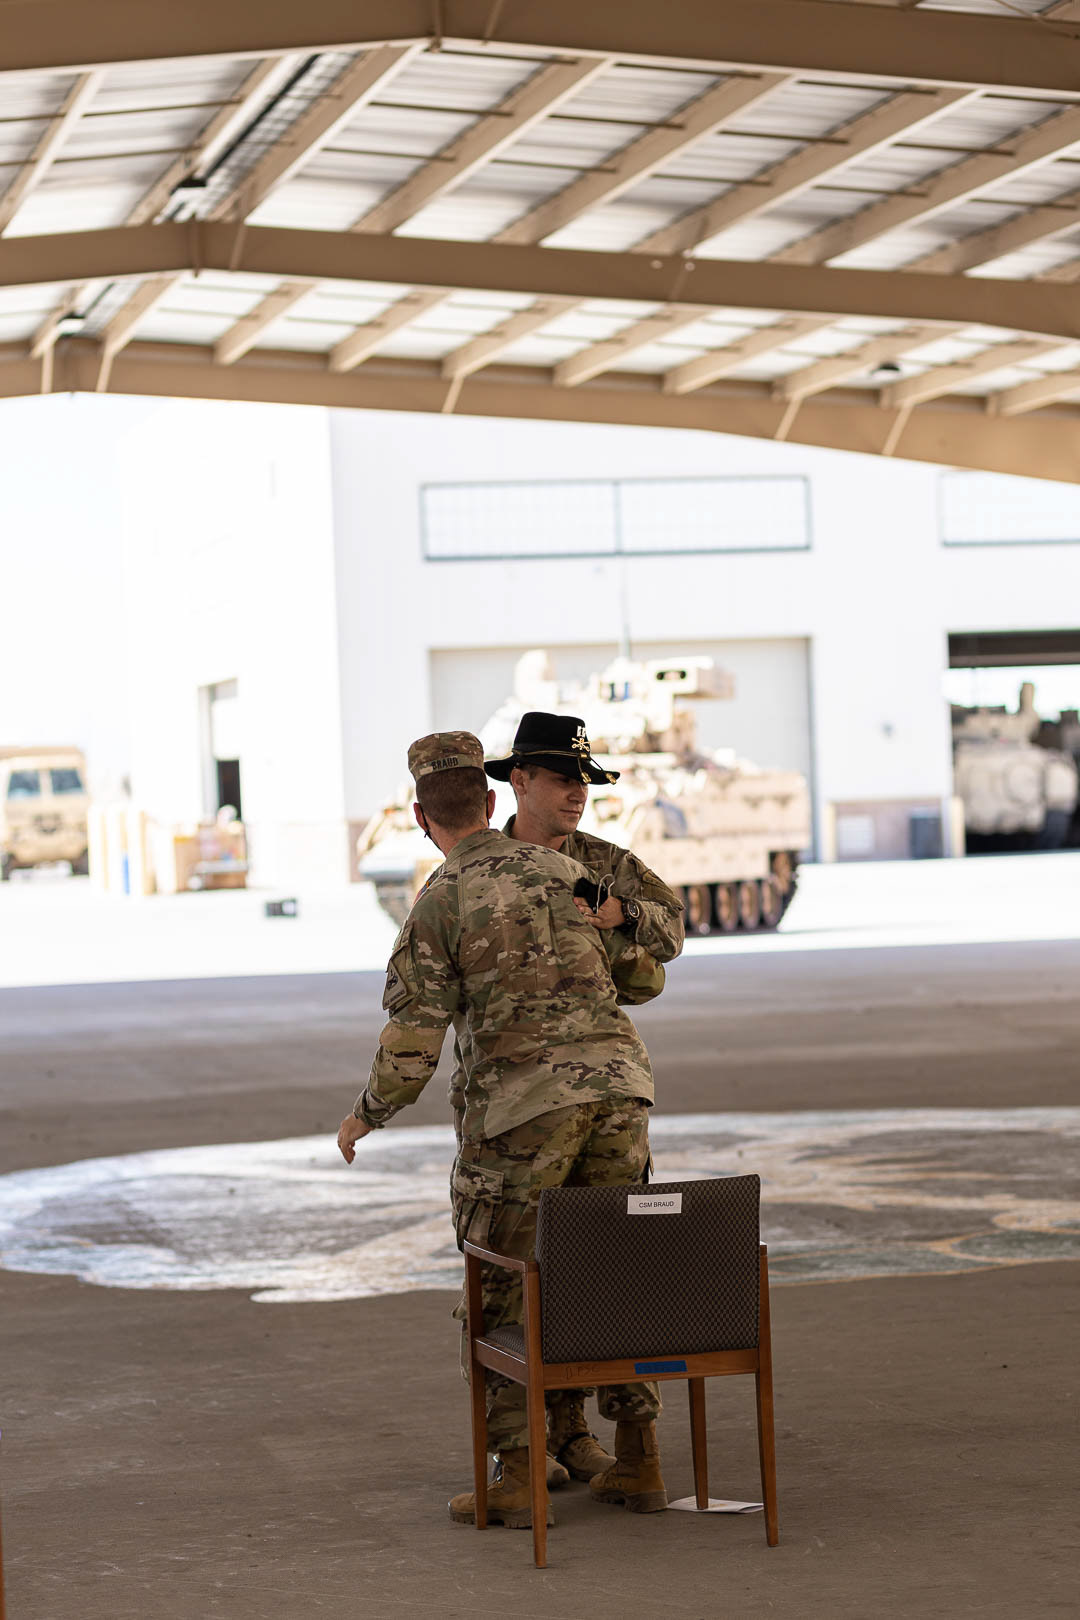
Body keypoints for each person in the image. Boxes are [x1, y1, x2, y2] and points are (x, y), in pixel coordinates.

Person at [337, 731, 668, 1531]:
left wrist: (366, 1114)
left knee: (501, 1286)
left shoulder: (439, 901)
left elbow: (414, 1041)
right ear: (491, 802)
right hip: (621, 1094)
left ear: (422, 817)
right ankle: (638, 1456)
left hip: (521, 1114)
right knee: (614, 1270)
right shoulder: (567, 871)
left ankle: (520, 1473)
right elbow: (643, 975)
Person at [476, 708, 686, 1483]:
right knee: (524, 1271)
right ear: (520, 780)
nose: (577, 793)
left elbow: (672, 931)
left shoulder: (605, 861)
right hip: (518, 1098)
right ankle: (546, 1442)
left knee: (609, 1263)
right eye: (562, 779)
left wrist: (623, 914)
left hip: (599, 1094)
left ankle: (633, 1450)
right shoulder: (482, 869)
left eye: (585, 781)